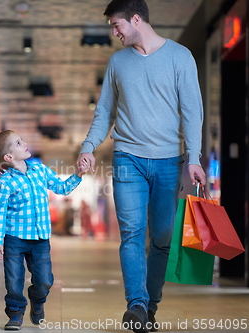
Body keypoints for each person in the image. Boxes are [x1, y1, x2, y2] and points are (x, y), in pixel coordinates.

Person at [76, 1, 206, 332]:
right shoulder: (118, 62)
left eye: (117, 25)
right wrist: (88, 147)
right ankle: (135, 305)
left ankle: (150, 305)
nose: (114, 32)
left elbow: (192, 111)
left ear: (137, 20)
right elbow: (104, 111)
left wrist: (194, 158)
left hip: (167, 160)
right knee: (132, 233)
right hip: (127, 158)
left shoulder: (180, 57)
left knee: (161, 237)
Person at [0, 130, 87, 331]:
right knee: (14, 279)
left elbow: (61, 188)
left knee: (45, 281)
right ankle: (15, 313)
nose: (24, 143)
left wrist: (77, 175)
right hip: (14, 238)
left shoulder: (40, 170)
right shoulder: (6, 181)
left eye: (21, 139)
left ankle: (38, 299)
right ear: (8, 157)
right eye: (18, 143)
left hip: (41, 239)